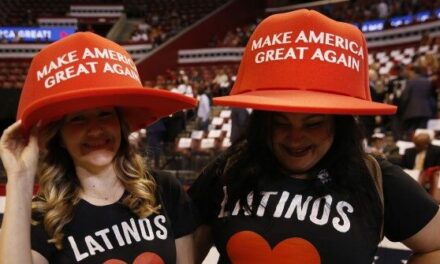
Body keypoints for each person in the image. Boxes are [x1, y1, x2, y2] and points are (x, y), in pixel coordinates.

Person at [188, 9, 440, 263]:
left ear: (339, 124)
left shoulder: (375, 178)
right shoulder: (229, 169)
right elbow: (187, 248)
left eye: (313, 124)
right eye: (280, 122)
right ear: (261, 124)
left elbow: (435, 246)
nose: (295, 138)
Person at [0, 32, 198, 264]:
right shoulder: (45, 217)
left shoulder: (165, 190)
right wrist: (20, 176)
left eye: (105, 114)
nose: (95, 130)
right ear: (60, 136)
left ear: (121, 125)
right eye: (78, 119)